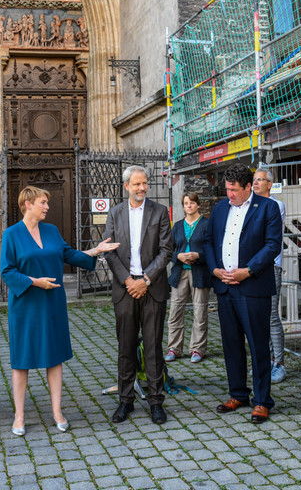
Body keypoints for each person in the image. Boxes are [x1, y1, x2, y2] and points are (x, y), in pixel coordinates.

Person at [0, 186, 118, 435]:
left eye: (47, 203)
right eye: (43, 202)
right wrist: (34, 281)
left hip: (52, 302)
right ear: (27, 204)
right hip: (25, 305)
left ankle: (57, 411)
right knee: (22, 360)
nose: (47, 207)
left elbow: (69, 254)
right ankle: (19, 416)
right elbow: (7, 271)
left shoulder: (51, 231)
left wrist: (95, 251)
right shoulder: (11, 235)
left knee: (54, 358)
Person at [205, 163, 284, 424]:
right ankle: (238, 393)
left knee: (258, 345)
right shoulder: (219, 209)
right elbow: (208, 242)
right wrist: (215, 269)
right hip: (225, 287)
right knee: (231, 345)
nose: (230, 195)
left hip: (252, 287)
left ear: (249, 187)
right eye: (227, 189)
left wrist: (248, 270)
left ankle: (262, 401)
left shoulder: (268, 208)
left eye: (234, 190)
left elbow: (272, 245)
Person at [104, 165, 173, 425]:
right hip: (124, 290)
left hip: (152, 288)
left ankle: (156, 401)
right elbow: (109, 251)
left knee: (154, 347)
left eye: (145, 183)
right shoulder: (115, 213)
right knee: (126, 347)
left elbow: (166, 250)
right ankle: (125, 401)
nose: (142, 188)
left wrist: (144, 280)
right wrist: (127, 280)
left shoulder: (159, 212)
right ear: (126, 186)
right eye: (137, 184)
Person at [165, 192, 211, 364]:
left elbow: (212, 249)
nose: (189, 206)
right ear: (183, 206)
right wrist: (178, 257)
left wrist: (198, 255)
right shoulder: (177, 226)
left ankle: (198, 349)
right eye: (186, 203)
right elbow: (168, 249)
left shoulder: (207, 224)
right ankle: (174, 348)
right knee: (175, 311)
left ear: (198, 205)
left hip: (200, 273)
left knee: (200, 311)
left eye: (192, 203)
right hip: (180, 273)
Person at [253, 168, 289, 383]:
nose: (256, 183)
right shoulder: (251, 204)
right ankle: (265, 360)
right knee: (259, 315)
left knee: (272, 315)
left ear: (270, 184)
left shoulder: (276, 205)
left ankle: (280, 363)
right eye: (254, 179)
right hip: (253, 266)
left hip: (271, 265)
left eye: (260, 180)